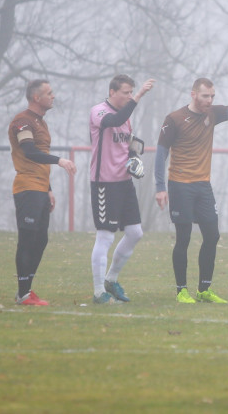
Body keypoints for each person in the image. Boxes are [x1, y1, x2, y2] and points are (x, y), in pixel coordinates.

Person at [155, 60, 228, 304]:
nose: (209, 100)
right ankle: (181, 290)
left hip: (203, 186)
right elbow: (161, 153)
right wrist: (160, 187)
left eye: (212, 96)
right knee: (183, 237)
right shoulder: (174, 118)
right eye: (205, 96)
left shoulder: (213, 113)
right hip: (180, 185)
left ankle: (204, 289)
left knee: (212, 235)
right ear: (193, 94)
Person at [9, 79, 77, 305]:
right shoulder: (22, 121)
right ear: (36, 98)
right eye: (49, 93)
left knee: (41, 239)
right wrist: (59, 160)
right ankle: (23, 294)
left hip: (39, 188)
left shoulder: (41, 123)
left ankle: (26, 290)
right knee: (27, 238)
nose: (53, 96)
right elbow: (29, 152)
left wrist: (49, 189)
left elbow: (39, 156)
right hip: (27, 187)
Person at [89, 74, 154, 304]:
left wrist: (134, 157)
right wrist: (137, 98)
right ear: (112, 92)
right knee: (105, 236)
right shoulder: (99, 111)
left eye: (131, 92)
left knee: (135, 233)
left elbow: (127, 142)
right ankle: (98, 292)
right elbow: (114, 122)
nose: (128, 96)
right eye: (125, 92)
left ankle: (111, 279)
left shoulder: (126, 116)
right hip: (104, 184)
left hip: (124, 182)